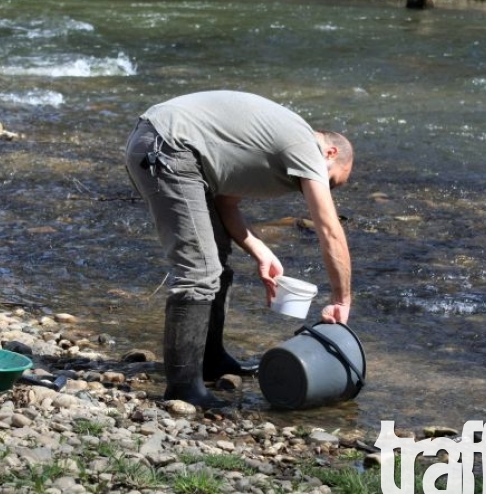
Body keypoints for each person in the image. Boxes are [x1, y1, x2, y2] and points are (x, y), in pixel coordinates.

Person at [125, 90, 353, 409]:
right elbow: (329, 229)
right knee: (199, 273)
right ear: (329, 153)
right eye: (331, 182)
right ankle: (182, 387)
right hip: (166, 147)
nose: (325, 189)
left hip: (167, 142)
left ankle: (210, 358)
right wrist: (342, 299)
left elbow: (225, 203)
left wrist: (260, 250)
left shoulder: (286, 144)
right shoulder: (307, 148)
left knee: (216, 257)